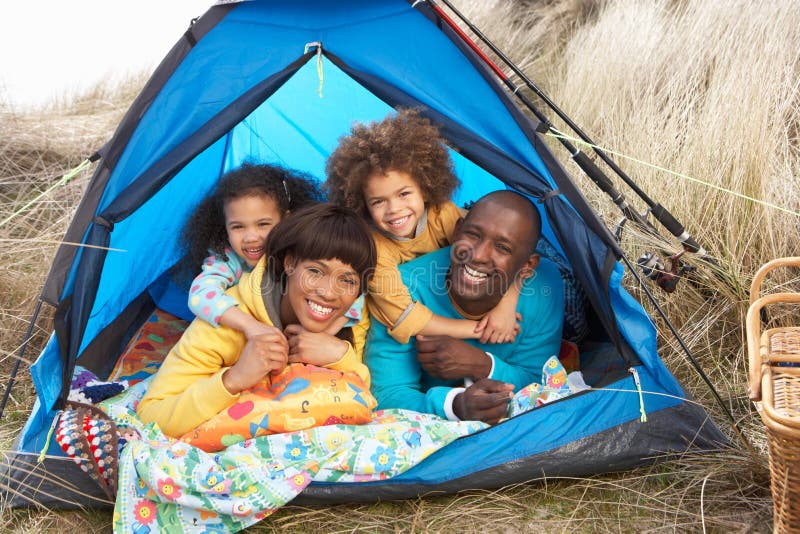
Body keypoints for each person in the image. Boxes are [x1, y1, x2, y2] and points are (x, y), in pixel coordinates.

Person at [138, 203, 377, 438]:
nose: (329, 293)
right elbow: (151, 415)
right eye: (315, 272)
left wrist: (339, 356)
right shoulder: (225, 323)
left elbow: (366, 396)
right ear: (290, 263)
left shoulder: (348, 319)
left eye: (347, 281)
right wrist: (234, 379)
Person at [324, 108, 522, 346]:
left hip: (456, 301)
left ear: (426, 188)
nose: (394, 209)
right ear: (363, 205)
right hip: (422, 327)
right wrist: (481, 329)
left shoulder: (444, 215)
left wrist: (506, 306)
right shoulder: (373, 247)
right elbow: (403, 316)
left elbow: (509, 254)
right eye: (378, 202)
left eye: (404, 193)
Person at [364, 190, 564, 425]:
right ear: (457, 231)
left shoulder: (544, 287)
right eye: (473, 235)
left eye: (502, 248)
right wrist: (455, 405)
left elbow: (541, 382)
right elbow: (386, 394)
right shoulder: (403, 290)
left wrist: (481, 364)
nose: (478, 255)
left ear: (527, 265)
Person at [180, 162, 362, 339]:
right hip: (240, 339)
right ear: (224, 228)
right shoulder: (228, 259)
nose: (251, 237)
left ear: (286, 220)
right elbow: (200, 296)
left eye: (263, 224)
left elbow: (355, 293)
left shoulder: (301, 250)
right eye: (237, 227)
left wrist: (324, 334)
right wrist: (250, 326)